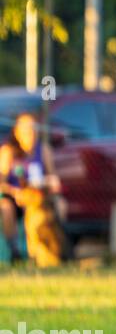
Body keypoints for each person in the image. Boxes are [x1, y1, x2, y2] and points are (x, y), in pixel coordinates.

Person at [0, 111, 65, 265]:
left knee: (60, 205)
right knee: (6, 208)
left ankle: (54, 249)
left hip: (37, 198)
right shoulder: (8, 152)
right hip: (15, 197)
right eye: (24, 128)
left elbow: (54, 179)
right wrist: (15, 192)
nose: (28, 132)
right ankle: (15, 250)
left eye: (31, 128)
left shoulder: (43, 150)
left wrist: (48, 183)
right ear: (16, 132)